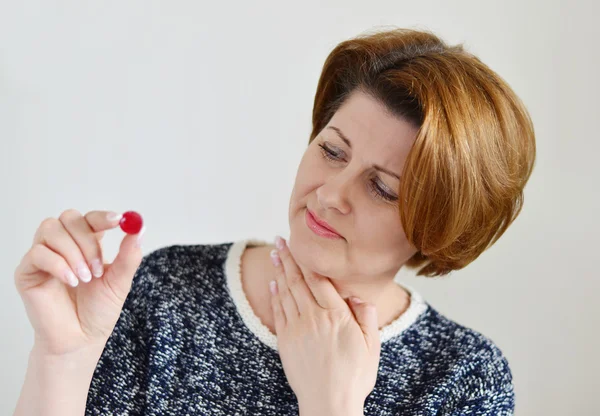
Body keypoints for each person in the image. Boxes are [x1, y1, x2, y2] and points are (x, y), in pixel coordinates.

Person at [13, 27, 535, 416]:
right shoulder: (164, 289)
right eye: (332, 150)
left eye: (381, 187)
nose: (330, 194)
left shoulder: (462, 377)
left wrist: (331, 406)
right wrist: (63, 356)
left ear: (437, 226)